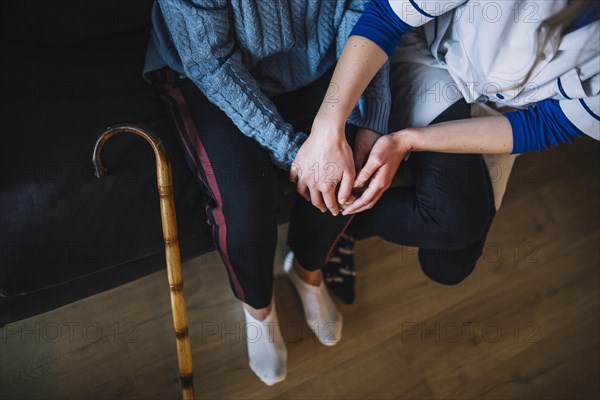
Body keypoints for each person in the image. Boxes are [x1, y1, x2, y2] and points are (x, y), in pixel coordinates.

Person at [143, 0, 391, 386]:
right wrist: (296, 152)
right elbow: (211, 63)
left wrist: (368, 115)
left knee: (350, 167)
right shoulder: (206, 61)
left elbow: (367, 10)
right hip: (207, 70)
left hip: (320, 58)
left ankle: (307, 269)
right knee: (247, 202)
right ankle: (258, 308)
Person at [289, 0, 599, 301]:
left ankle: (339, 226)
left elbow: (546, 125)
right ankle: (319, 237)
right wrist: (327, 128)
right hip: (433, 58)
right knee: (455, 221)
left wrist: (409, 140)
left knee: (449, 266)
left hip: (503, 112)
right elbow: (385, 15)